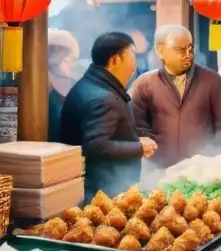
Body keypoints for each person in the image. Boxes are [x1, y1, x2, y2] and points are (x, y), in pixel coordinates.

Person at [60, 32, 158, 201]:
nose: (135, 63)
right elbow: (96, 145)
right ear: (115, 60)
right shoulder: (103, 99)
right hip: (102, 192)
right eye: (132, 55)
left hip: (96, 187)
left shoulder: (89, 84)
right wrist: (138, 147)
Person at [130, 25, 221, 167]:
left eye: (190, 48)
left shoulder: (211, 80)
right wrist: (154, 155)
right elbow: (137, 128)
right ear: (160, 51)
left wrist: (216, 160)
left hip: (202, 170)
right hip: (159, 170)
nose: (188, 54)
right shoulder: (144, 83)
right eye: (179, 49)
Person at [47, 29, 80, 143]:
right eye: (51, 48)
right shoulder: (40, 83)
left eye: (58, 48)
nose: (54, 52)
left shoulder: (76, 84)